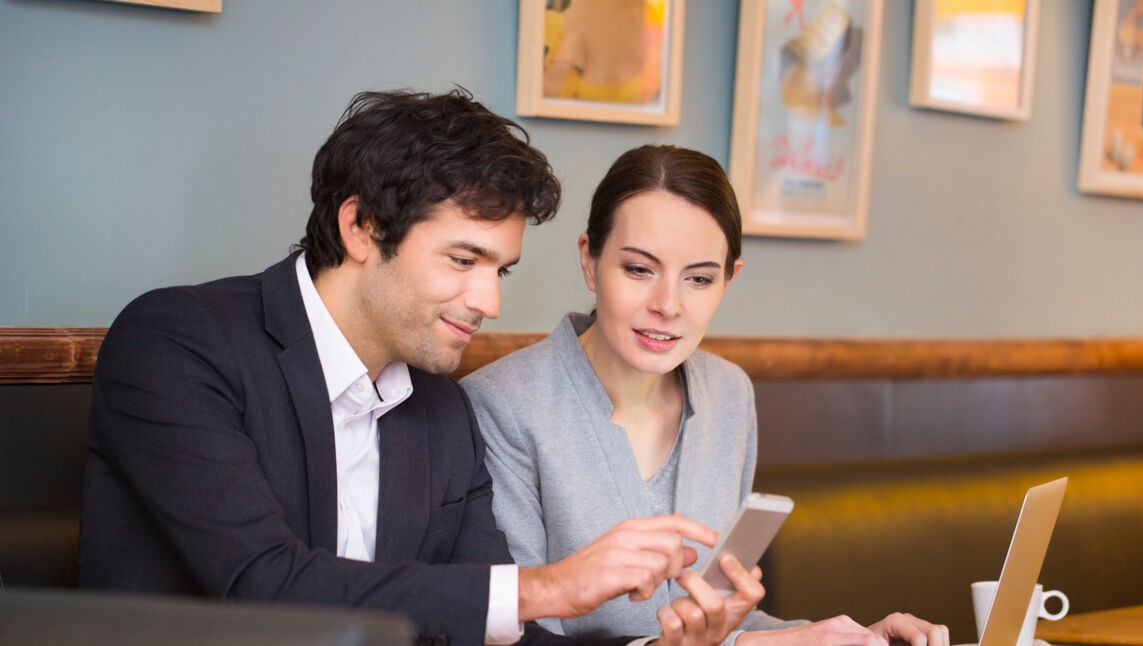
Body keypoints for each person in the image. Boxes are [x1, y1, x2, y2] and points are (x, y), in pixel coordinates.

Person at [78, 90, 764, 646]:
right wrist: (552, 586)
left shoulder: (440, 408)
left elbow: (493, 631)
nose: (489, 300)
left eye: (501, 269)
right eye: (463, 261)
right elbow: (265, 586)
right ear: (361, 228)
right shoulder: (180, 343)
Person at [461, 145, 951, 646]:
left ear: (729, 279)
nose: (668, 305)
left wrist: (841, 638)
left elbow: (719, 624)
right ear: (590, 260)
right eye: (638, 269)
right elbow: (514, 635)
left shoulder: (728, 395)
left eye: (699, 279)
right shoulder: (501, 405)